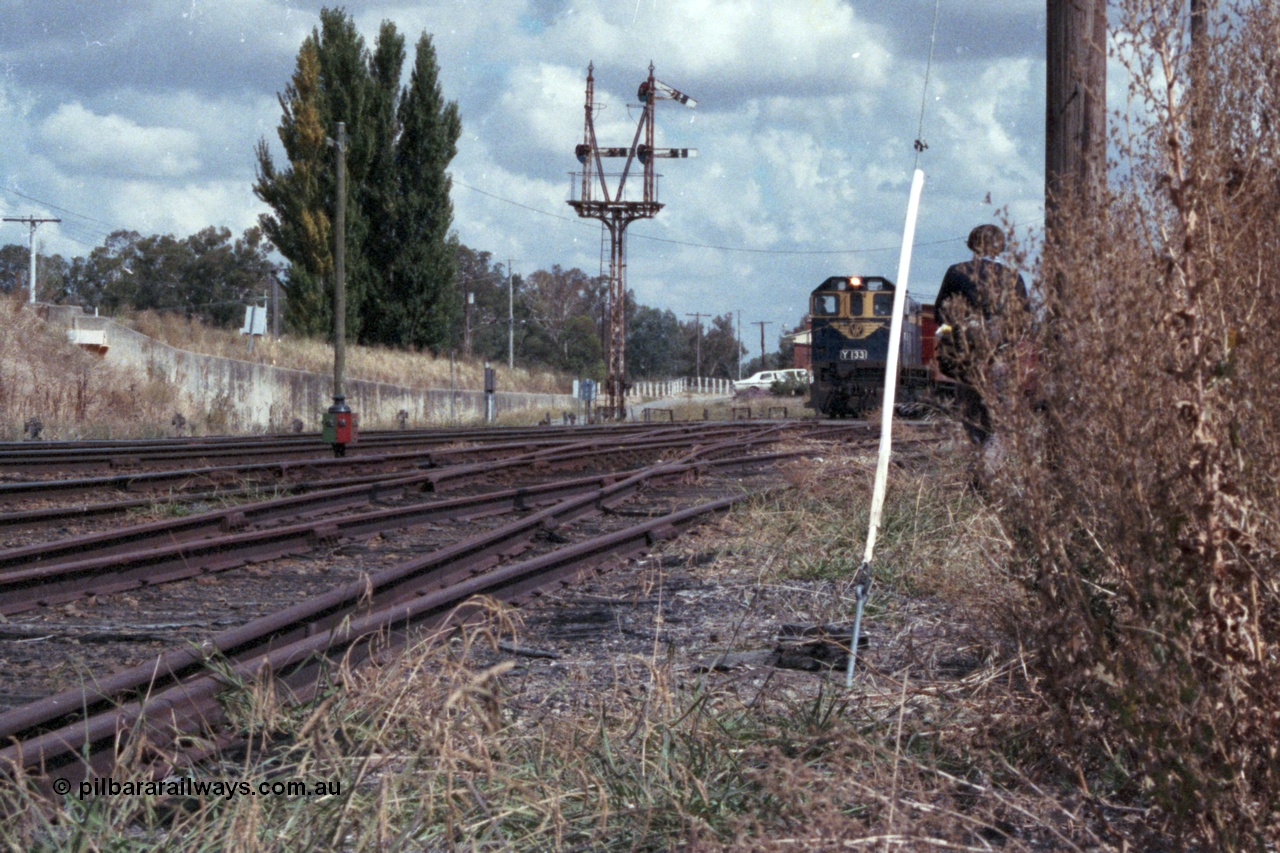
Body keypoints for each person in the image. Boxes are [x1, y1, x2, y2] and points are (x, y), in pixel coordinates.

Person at [934, 224, 1030, 446]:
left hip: (965, 358)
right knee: (998, 418)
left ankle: (978, 461)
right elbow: (1025, 320)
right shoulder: (1013, 277)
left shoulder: (955, 272)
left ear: (971, 245)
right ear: (1000, 247)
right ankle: (989, 467)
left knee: (970, 414)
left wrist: (957, 331)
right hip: (1000, 357)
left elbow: (940, 312)